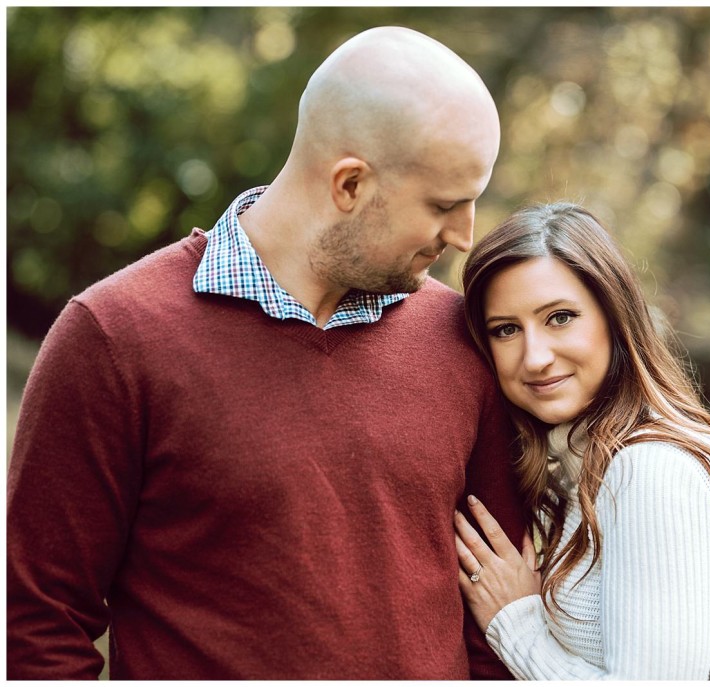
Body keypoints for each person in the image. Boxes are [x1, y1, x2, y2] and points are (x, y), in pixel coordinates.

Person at [7, 26, 527, 680]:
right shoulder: (113, 337)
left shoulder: (464, 339)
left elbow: (498, 620)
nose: (463, 237)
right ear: (349, 185)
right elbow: (36, 623)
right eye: (446, 205)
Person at [452, 202, 710, 680]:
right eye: (506, 330)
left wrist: (516, 623)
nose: (535, 357)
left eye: (560, 318)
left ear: (615, 316)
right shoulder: (590, 470)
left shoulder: (653, 469)